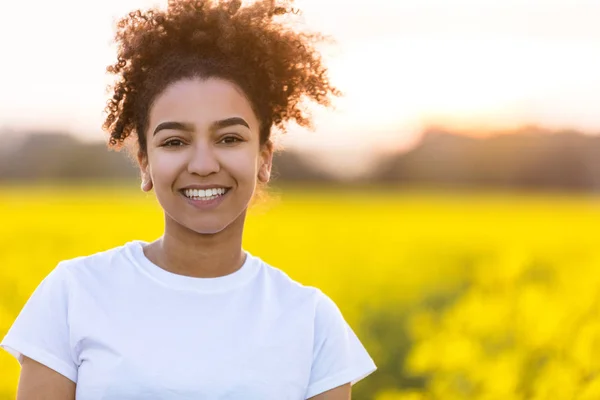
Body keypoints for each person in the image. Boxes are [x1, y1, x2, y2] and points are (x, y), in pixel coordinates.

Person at [0, 0, 377, 398]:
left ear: (263, 159)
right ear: (145, 162)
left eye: (229, 139)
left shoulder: (312, 321)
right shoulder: (73, 294)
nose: (201, 164)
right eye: (175, 141)